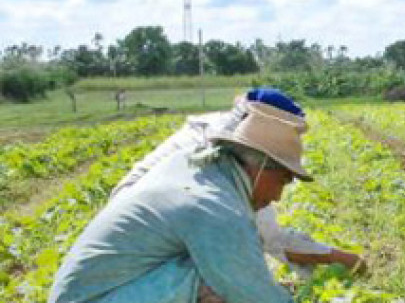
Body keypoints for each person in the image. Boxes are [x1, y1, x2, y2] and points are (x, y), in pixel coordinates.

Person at [44, 108, 360, 303]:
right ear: (261, 166)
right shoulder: (215, 206)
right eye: (282, 181)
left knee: (230, 273)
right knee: (233, 285)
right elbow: (264, 301)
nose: (278, 196)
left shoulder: (199, 168)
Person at [113, 88, 363, 274]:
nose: (278, 195)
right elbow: (270, 239)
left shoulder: (226, 136)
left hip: (127, 227)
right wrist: (340, 258)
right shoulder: (217, 154)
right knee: (230, 274)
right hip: (137, 244)